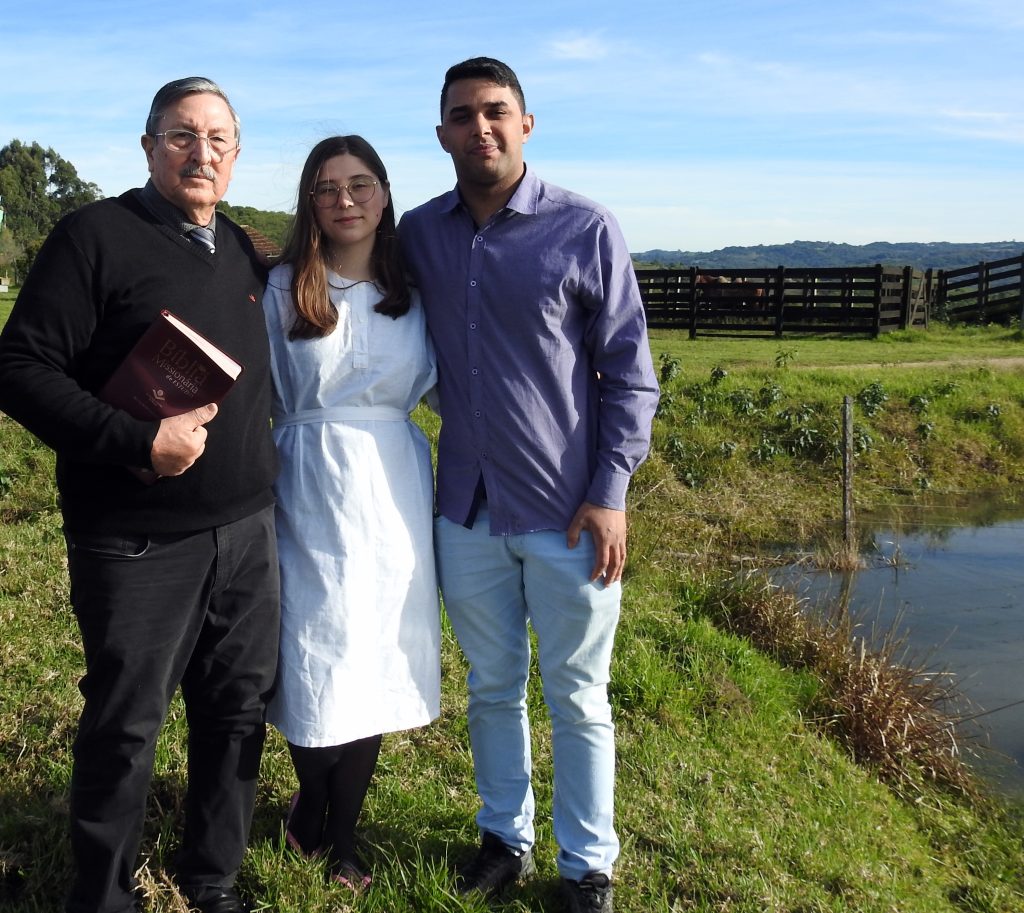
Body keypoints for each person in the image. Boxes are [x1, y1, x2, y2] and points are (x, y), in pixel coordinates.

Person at [0, 77, 279, 913]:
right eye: (183, 135)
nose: (202, 152)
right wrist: (135, 442)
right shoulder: (94, 237)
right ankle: (104, 895)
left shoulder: (238, 249)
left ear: (236, 155)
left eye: (219, 139)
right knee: (126, 726)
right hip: (136, 541)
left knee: (235, 712)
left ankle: (212, 875)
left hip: (247, 533)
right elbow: (17, 368)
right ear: (149, 145)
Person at [398, 57, 659, 913]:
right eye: (464, 115)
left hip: (568, 511)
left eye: (497, 111)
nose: (482, 128)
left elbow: (630, 373)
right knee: (492, 683)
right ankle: (503, 838)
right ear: (442, 134)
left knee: (579, 695)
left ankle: (588, 865)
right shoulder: (420, 235)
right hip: (466, 510)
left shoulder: (585, 229)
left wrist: (613, 488)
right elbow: (342, 260)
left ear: (527, 124)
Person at [262, 136, 440, 890]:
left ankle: (345, 838)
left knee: (368, 655)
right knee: (312, 651)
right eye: (328, 187)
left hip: (392, 488)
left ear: (385, 194)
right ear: (310, 199)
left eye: (360, 184)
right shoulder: (280, 288)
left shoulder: (415, 289)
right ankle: (310, 807)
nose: (345, 199)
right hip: (303, 479)